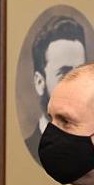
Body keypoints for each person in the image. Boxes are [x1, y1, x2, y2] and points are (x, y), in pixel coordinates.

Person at [23, 15, 87, 162]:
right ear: (40, 82)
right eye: (64, 74)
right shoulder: (30, 148)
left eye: (81, 73)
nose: (77, 85)